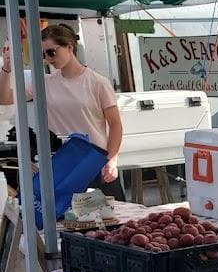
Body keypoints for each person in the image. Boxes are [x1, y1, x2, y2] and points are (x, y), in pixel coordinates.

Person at [1, 26, 125, 201]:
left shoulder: (97, 83)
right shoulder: (44, 82)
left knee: (112, 216)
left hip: (93, 161)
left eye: (52, 52)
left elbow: (115, 124)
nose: (48, 58)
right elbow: (5, 98)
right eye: (43, 54)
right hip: (61, 163)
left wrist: (111, 160)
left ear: (69, 47)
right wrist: (7, 68)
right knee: (62, 216)